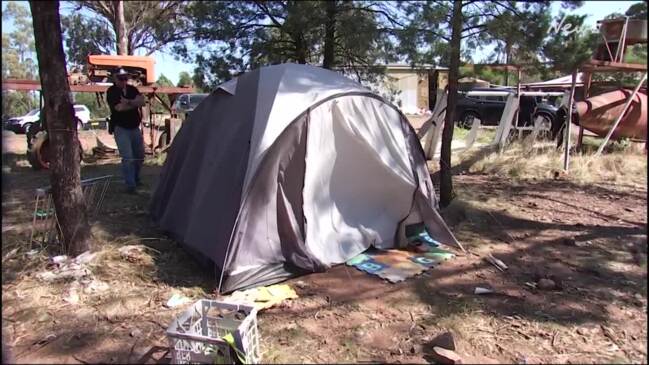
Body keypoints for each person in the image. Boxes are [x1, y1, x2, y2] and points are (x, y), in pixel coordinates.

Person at [106, 68, 146, 194]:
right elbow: (119, 108)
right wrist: (134, 103)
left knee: (139, 156)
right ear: (115, 78)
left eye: (125, 78)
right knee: (128, 157)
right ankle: (130, 185)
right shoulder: (111, 92)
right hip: (121, 128)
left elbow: (142, 101)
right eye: (121, 78)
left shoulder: (132, 89)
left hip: (135, 127)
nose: (124, 81)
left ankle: (136, 178)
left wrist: (128, 102)